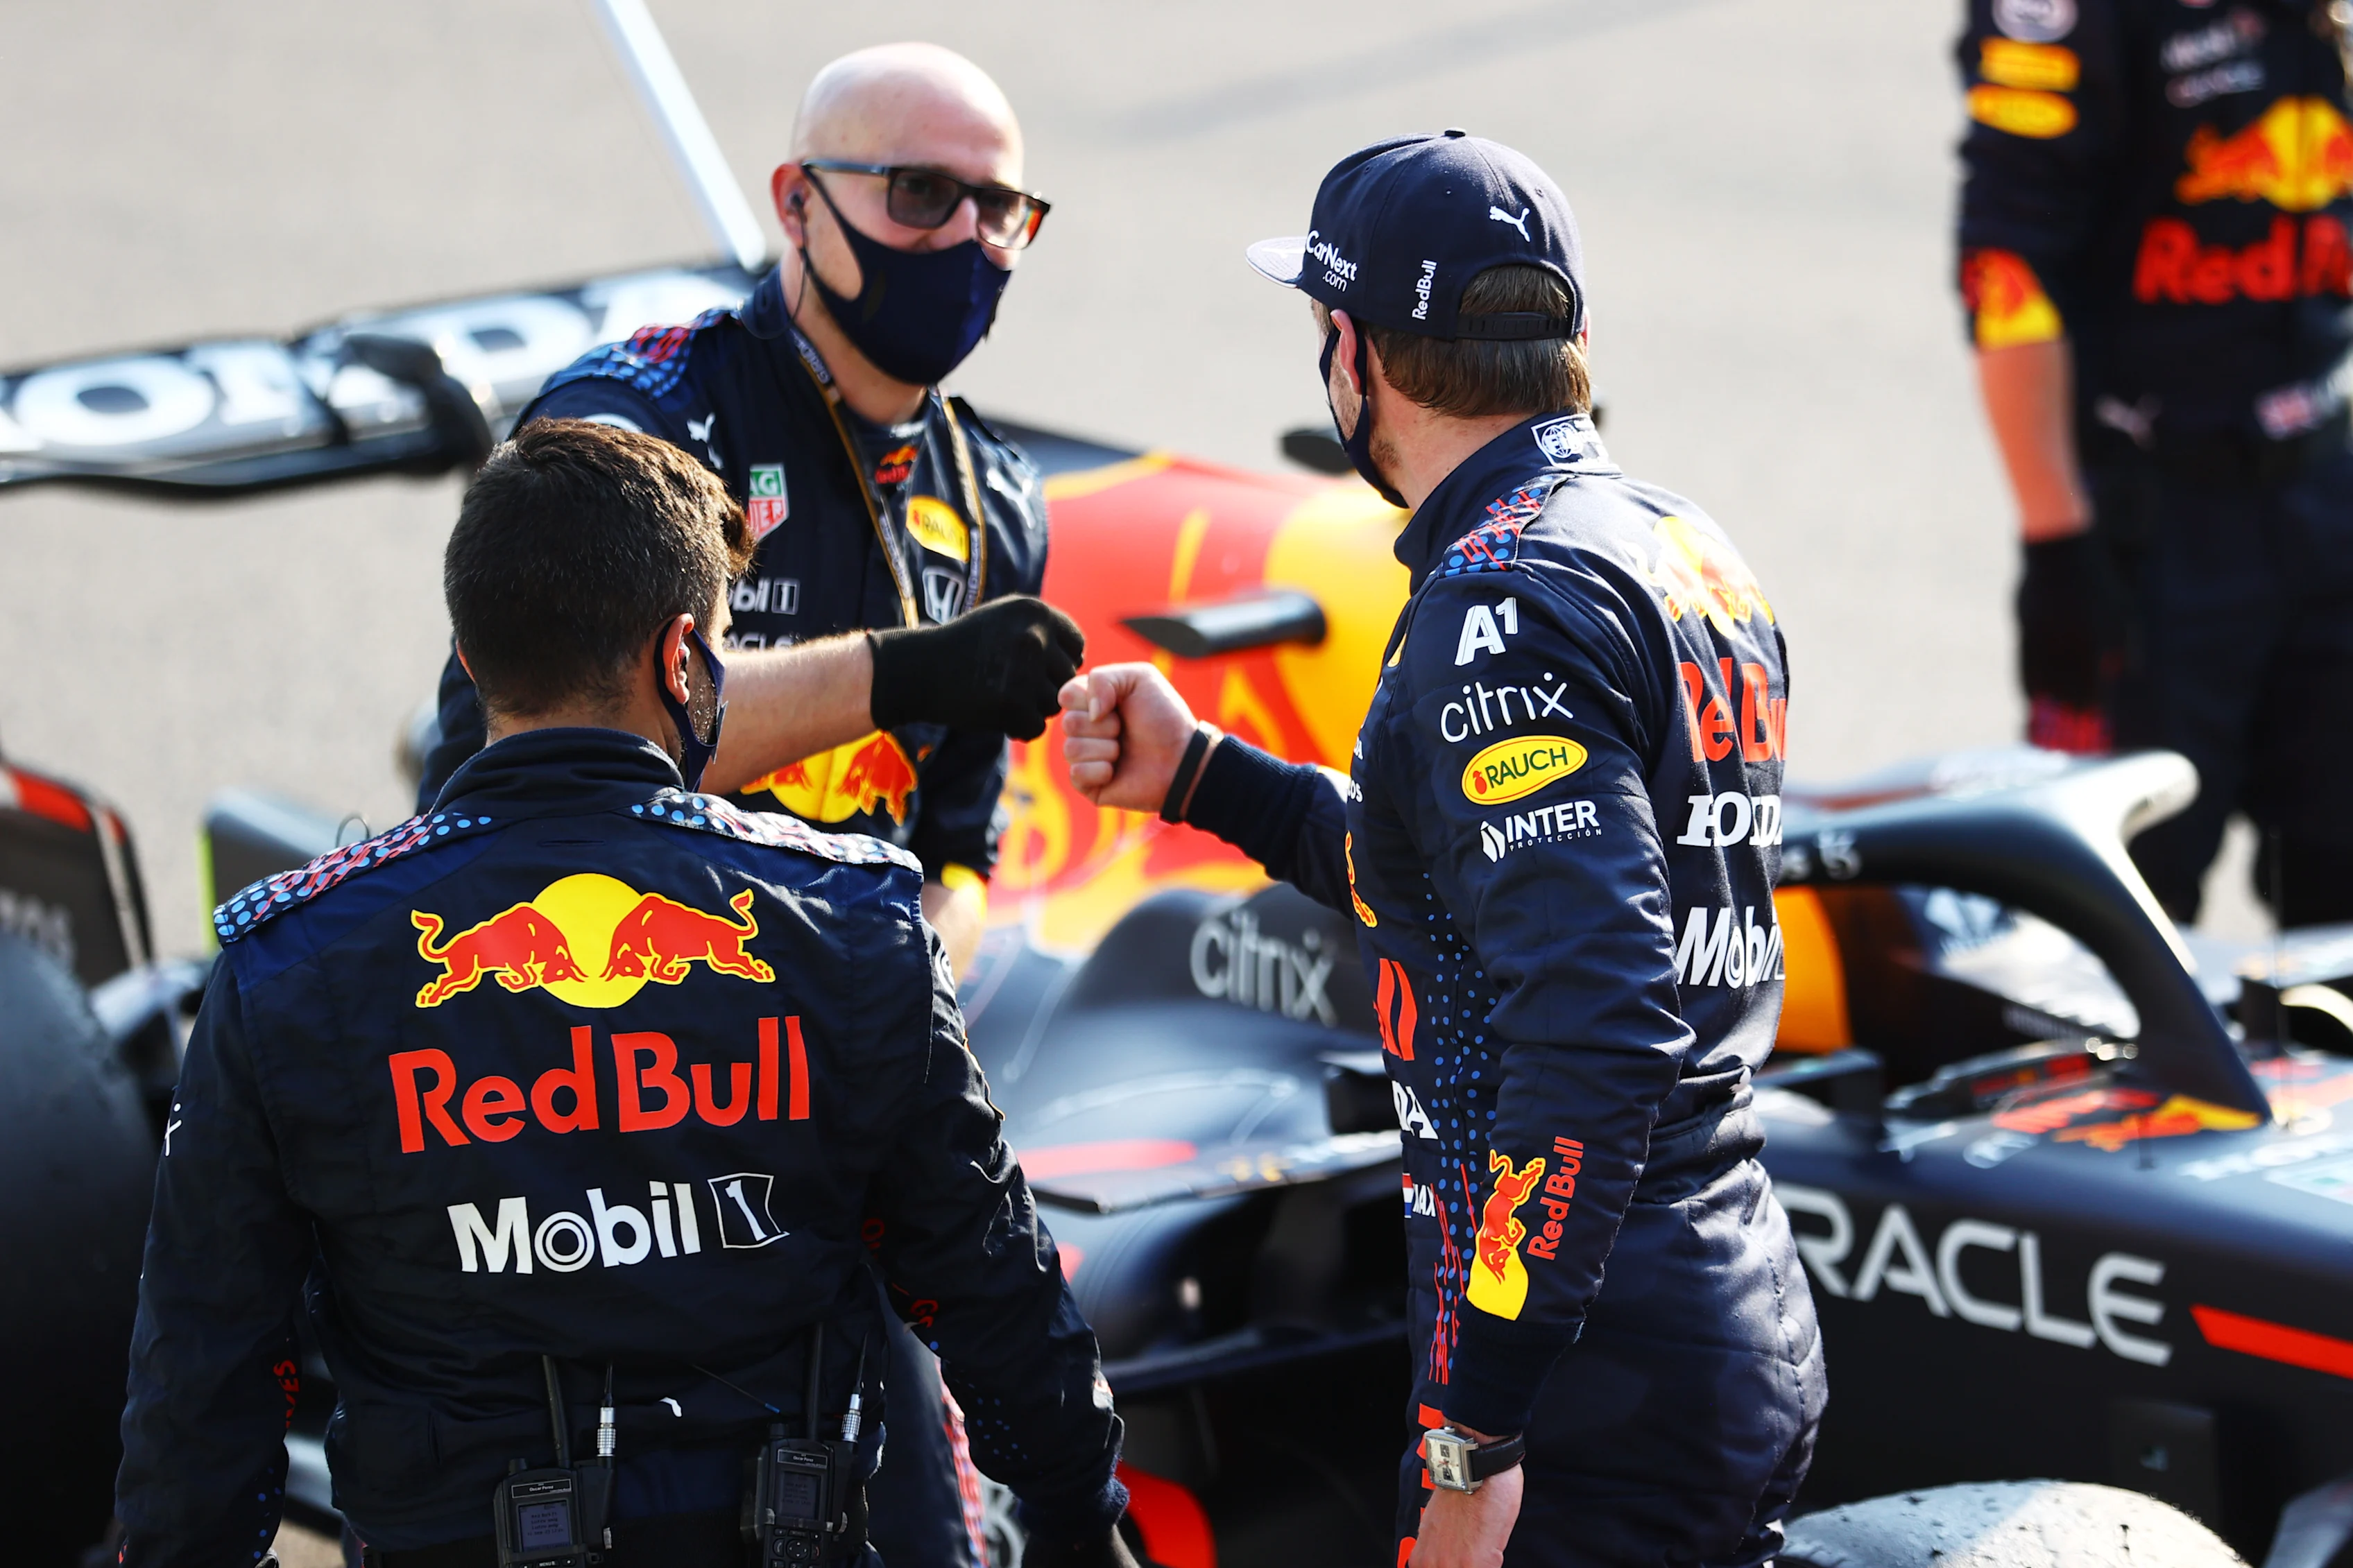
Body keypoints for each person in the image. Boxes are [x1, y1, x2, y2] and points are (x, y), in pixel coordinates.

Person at [116, 420, 1131, 1568]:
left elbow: (204, 1393)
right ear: (682, 659)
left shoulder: (292, 968)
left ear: (468, 652)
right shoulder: (850, 927)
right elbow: (994, 1289)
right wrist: (1077, 1527)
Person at [1060, 133, 1824, 1568]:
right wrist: (1204, 776)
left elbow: (1594, 1026)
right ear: (1568, 335)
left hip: (1586, 1368)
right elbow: (1470, 900)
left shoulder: (1503, 600)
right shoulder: (1675, 541)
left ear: (1352, 350)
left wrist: (1473, 1435)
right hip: (1701, 1287)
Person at [418, 41, 1079, 985]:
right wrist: (899, 675)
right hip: (568, 1006)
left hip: (816, 1061)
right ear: (798, 202)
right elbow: (576, 740)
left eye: (1001, 208)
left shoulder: (997, 502)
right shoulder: (636, 420)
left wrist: (901, 1006)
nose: (967, 237)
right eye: (922, 194)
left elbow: (958, 856)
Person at [1960, 0, 2353, 924]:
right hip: (2157, 531)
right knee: (2129, 910)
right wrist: (2056, 543)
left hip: (2328, 490)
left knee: (2341, 892)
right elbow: (2006, 271)